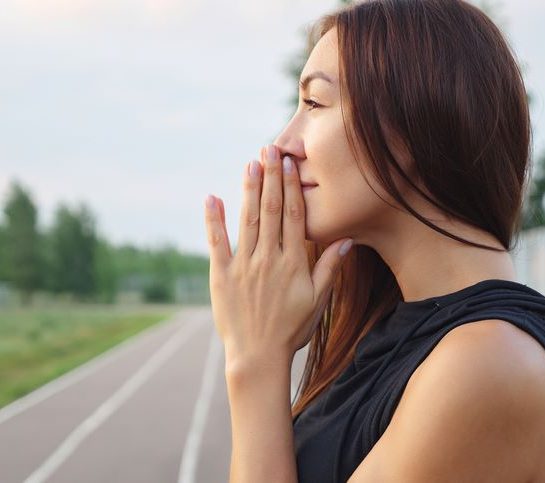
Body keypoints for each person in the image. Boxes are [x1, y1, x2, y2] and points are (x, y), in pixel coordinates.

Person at [203, 0, 545, 482]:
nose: (282, 144)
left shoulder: (488, 363)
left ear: (413, 123)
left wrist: (254, 361)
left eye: (314, 104)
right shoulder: (397, 330)